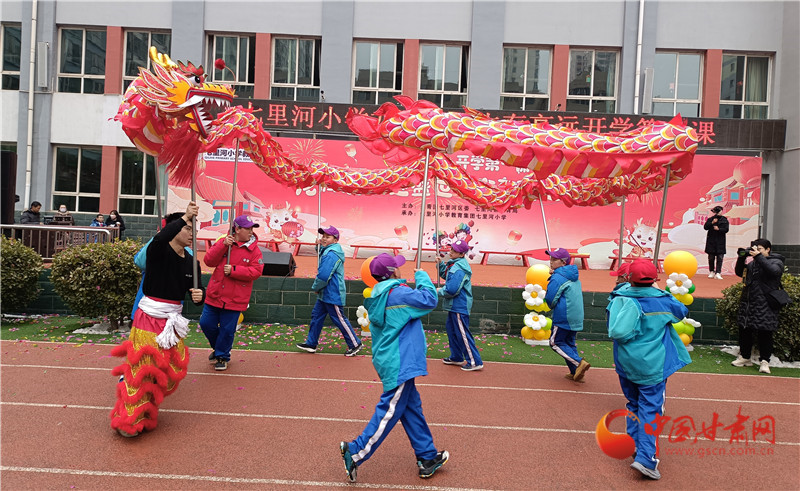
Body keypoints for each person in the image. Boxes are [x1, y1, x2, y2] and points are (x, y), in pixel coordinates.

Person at [340, 253, 448, 482]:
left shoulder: (380, 293)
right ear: (393, 272)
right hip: (400, 360)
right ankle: (356, 451)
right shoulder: (398, 293)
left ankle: (427, 456)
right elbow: (430, 299)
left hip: (392, 358)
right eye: (397, 266)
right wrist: (422, 276)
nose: (400, 269)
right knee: (389, 410)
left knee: (411, 408)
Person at [109, 201, 205, 438]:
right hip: (148, 318)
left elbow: (197, 293)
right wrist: (184, 216)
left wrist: (199, 296)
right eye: (187, 228)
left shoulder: (192, 262)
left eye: (193, 229)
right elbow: (161, 238)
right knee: (144, 368)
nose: (192, 234)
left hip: (172, 321)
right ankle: (129, 420)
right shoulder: (158, 251)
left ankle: (146, 409)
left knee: (171, 370)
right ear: (175, 228)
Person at [606, 259, 691, 480]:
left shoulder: (618, 297)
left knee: (633, 403)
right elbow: (681, 311)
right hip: (653, 366)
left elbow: (613, 327)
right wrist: (659, 290)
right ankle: (646, 459)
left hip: (625, 363)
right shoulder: (662, 300)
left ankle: (635, 444)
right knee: (651, 410)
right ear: (654, 279)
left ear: (629, 278)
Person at [199, 215, 263, 371]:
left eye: (252, 228)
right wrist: (222, 245)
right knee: (206, 323)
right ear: (237, 229)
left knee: (227, 330)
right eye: (247, 228)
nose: (251, 231)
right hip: (215, 294)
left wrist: (234, 270)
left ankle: (222, 356)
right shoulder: (224, 242)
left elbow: (256, 271)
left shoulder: (255, 250)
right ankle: (219, 348)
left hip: (236, 298)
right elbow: (209, 261)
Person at [296, 226, 363, 356]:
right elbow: (322, 254)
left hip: (333, 292)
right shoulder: (328, 251)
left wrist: (316, 287)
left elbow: (324, 275)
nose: (324, 239)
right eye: (323, 236)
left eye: (327, 237)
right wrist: (318, 246)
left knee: (339, 319)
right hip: (325, 293)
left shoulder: (332, 254)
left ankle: (355, 344)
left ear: (335, 240)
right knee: (316, 316)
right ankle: (311, 343)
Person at [731, 238, 786, 374]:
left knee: (765, 333)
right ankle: (745, 357)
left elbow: (774, 271)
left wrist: (759, 257)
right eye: (754, 249)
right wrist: (741, 258)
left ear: (768, 249)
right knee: (745, 330)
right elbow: (740, 273)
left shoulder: (776, 261)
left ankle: (765, 361)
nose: (756, 252)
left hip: (765, 303)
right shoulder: (753, 264)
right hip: (749, 302)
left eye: (759, 249)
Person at [131, 212, 192, 320]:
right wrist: (158, 239)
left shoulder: (188, 254)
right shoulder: (156, 247)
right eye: (187, 229)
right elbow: (140, 262)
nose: (191, 234)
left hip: (172, 310)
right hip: (149, 310)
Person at [436, 239, 483, 371]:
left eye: (454, 251)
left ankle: (474, 361)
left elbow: (452, 289)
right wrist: (440, 265)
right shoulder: (455, 264)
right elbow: (447, 276)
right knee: (452, 331)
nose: (451, 252)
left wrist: (440, 291)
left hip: (459, 305)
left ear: (462, 254)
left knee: (462, 334)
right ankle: (456, 357)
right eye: (451, 249)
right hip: (454, 306)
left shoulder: (460, 268)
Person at [544, 248, 590, 381]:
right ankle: (576, 372)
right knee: (569, 343)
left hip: (564, 315)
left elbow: (551, 298)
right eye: (551, 259)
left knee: (555, 342)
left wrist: (553, 277)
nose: (551, 262)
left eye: (554, 259)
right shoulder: (572, 275)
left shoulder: (558, 277)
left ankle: (579, 363)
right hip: (576, 315)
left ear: (563, 262)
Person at [704, 205, 729, 279]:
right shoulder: (711, 219)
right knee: (711, 258)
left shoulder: (724, 220)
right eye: (719, 211)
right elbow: (705, 227)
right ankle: (711, 271)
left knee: (720, 258)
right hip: (711, 241)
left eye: (721, 211)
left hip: (720, 242)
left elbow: (726, 229)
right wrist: (712, 223)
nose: (720, 212)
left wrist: (719, 229)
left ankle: (718, 272)